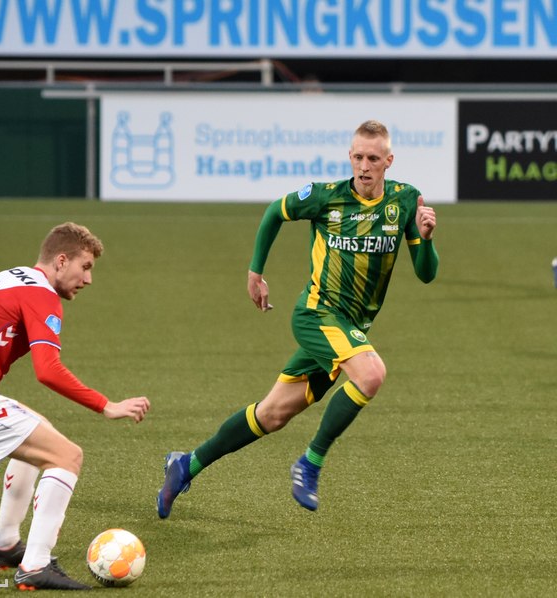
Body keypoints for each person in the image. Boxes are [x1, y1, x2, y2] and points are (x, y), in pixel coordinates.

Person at [157, 120, 439, 517]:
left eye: (373, 158)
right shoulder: (326, 197)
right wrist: (255, 271)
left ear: (388, 161)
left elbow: (426, 273)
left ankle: (186, 464)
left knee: (271, 414)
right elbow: (276, 211)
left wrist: (426, 240)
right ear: (350, 157)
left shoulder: (405, 201)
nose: (363, 166)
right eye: (357, 157)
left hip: (348, 330)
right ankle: (310, 463)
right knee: (371, 374)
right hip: (317, 314)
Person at [0, 222, 150, 590]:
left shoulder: (12, 276)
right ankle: (36, 566)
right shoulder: (43, 295)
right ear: (60, 260)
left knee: (38, 430)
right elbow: (48, 371)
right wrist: (107, 406)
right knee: (67, 456)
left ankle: (5, 545)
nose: (88, 279)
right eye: (84, 267)